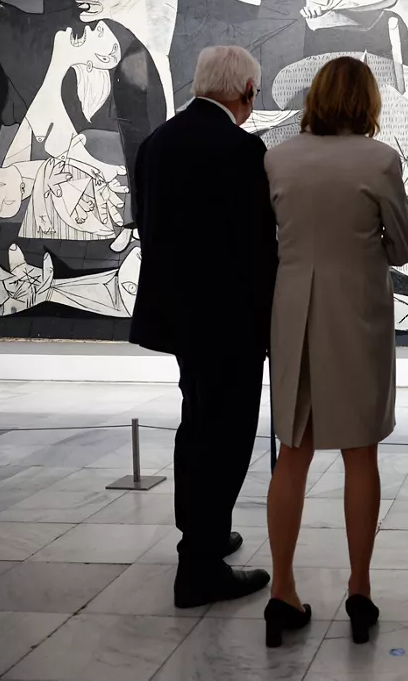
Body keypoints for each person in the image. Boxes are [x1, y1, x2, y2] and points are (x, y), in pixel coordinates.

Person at [262, 56, 408, 647]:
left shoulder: (278, 157)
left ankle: (282, 589)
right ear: (369, 102)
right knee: (360, 450)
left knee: (291, 451)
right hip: (358, 312)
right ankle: (359, 588)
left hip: (294, 308)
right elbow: (401, 246)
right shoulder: (379, 159)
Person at [128, 45, 276, 608]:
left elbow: (150, 226)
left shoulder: (157, 143)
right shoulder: (242, 148)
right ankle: (201, 567)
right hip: (231, 319)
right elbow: (257, 244)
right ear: (245, 92)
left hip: (181, 316)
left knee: (197, 426)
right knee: (229, 435)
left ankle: (204, 536)